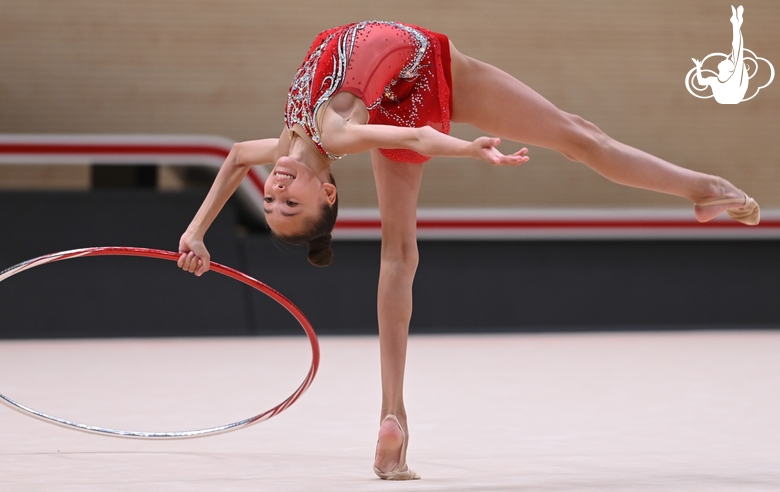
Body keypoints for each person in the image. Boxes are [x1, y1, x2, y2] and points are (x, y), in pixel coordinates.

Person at [177, 20, 760, 480]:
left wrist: (196, 231)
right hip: (425, 69)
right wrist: (470, 149)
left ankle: (393, 418)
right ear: (327, 192)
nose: (275, 191)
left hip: (403, 84)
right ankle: (704, 189)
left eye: (273, 201)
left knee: (400, 253)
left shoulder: (286, 138)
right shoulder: (334, 133)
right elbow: (411, 136)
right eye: (290, 203)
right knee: (579, 136)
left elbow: (232, 157)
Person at [692, 5, 749, 104]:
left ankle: (736, 23)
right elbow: (701, 82)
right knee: (737, 52)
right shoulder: (717, 79)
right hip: (730, 97)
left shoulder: (728, 78)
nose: (724, 59)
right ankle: (736, 23)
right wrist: (698, 67)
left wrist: (698, 67)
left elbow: (701, 81)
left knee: (737, 51)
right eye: (728, 61)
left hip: (732, 96)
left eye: (727, 61)